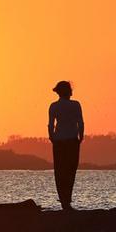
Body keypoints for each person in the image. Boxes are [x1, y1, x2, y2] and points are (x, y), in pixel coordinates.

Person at [48, 80, 84, 210]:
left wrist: (52, 137)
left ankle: (64, 201)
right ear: (69, 91)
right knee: (70, 170)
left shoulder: (53, 106)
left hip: (58, 141)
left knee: (59, 171)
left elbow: (51, 124)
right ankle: (67, 200)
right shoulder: (75, 105)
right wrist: (81, 136)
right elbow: (80, 122)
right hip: (72, 140)